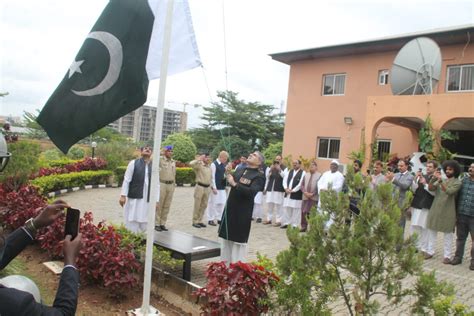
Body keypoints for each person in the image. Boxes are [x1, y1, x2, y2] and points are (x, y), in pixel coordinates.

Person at [0, 201, 82, 315]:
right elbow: (63, 313)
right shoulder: (15, 304)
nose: (2, 229)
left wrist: (34, 224)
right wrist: (70, 262)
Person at [218, 152, 266, 264]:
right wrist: (227, 173)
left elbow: (251, 193)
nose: (250, 154)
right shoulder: (239, 170)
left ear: (259, 162)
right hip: (230, 210)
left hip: (242, 213)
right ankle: (224, 270)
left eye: (254, 155)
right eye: (251, 153)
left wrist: (235, 184)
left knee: (238, 244)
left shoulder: (259, 176)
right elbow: (223, 183)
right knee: (226, 242)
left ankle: (237, 271)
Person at [425, 160, 462, 264]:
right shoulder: (442, 179)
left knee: (448, 234)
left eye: (450, 169)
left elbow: (449, 192)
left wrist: (440, 181)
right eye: (446, 169)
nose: (447, 171)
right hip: (436, 209)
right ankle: (430, 251)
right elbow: (431, 188)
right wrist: (433, 178)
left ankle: (447, 256)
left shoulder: (457, 182)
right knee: (432, 231)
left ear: (455, 171)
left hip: (448, 211)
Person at [119, 145, 159, 234]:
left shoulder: (154, 166)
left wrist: (156, 201)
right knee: (132, 219)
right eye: (145, 148)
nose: (148, 149)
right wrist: (123, 195)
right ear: (141, 152)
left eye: (150, 149)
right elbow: (126, 180)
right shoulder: (133, 163)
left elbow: (157, 185)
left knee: (147, 220)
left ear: (151, 153)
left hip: (148, 199)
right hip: (135, 197)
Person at [409, 161, 437, 254]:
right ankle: (414, 246)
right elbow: (413, 189)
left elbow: (434, 193)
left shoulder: (436, 179)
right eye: (427, 166)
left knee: (424, 227)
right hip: (417, 204)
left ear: (435, 168)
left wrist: (425, 184)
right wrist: (415, 178)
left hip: (427, 205)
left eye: (430, 167)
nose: (428, 168)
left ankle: (424, 248)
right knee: (414, 226)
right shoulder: (422, 176)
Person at [451, 163, 474, 270]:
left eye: (473, 168)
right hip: (461, 214)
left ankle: (473, 261)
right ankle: (457, 257)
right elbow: (457, 196)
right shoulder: (463, 180)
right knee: (460, 238)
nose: (471, 169)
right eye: (470, 167)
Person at [385, 159, 414, 234]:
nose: (399, 167)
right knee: (391, 224)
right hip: (392, 203)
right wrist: (387, 180)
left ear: (406, 166)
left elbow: (405, 186)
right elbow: (391, 187)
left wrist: (393, 179)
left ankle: (398, 245)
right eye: (398, 166)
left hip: (401, 204)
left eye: (401, 166)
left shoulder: (410, 176)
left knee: (400, 225)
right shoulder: (396, 174)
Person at [317, 160, 345, 228]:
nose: (333, 166)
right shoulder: (325, 173)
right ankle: (320, 227)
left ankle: (329, 229)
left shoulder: (340, 175)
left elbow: (339, 187)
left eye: (335, 165)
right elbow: (319, 183)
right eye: (332, 164)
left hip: (332, 197)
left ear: (337, 167)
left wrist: (328, 190)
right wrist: (321, 189)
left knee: (331, 213)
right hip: (323, 196)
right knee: (321, 211)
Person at [155, 145, 176, 231]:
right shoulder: (160, 159)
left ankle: (163, 223)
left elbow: (174, 174)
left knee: (167, 205)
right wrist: (161, 152)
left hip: (170, 184)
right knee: (159, 204)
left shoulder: (173, 162)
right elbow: (153, 159)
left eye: (171, 151)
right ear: (165, 152)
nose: (170, 153)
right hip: (162, 183)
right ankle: (156, 223)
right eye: (168, 151)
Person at [206, 151, 229, 226]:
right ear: (221, 157)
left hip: (222, 187)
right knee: (212, 204)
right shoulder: (214, 164)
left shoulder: (223, 165)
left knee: (222, 203)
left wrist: (225, 185)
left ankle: (219, 218)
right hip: (215, 187)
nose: (226, 160)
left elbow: (224, 176)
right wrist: (214, 187)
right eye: (225, 159)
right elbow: (212, 177)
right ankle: (210, 219)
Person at [190, 154, 212, 228]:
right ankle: (195, 221)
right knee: (197, 205)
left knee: (204, 205)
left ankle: (200, 220)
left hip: (207, 187)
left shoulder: (209, 166)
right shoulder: (199, 165)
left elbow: (210, 178)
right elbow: (191, 164)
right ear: (203, 158)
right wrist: (199, 159)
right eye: (206, 157)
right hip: (200, 186)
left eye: (209, 157)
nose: (208, 159)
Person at [281, 160, 305, 229]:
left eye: (296, 163)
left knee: (296, 210)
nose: (294, 164)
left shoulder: (303, 173)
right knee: (287, 209)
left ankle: (295, 225)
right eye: (293, 163)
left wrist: (293, 190)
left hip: (296, 194)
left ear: (300, 165)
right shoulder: (289, 171)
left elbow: (301, 184)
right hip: (287, 193)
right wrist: (286, 188)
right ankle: (286, 223)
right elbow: (284, 181)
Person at [263, 155, 286, 226]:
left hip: (278, 189)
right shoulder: (271, 167)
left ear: (281, 160)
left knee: (279, 205)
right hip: (270, 188)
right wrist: (270, 169)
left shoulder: (284, 168)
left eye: (279, 159)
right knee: (270, 204)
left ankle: (278, 220)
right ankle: (269, 219)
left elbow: (285, 176)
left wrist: (279, 169)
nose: (277, 160)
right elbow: (267, 177)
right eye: (276, 159)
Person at [300, 160, 321, 232]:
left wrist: (312, 194)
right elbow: (302, 185)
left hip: (313, 197)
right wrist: (305, 192)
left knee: (313, 213)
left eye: (313, 165)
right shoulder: (306, 175)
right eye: (310, 166)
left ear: (316, 167)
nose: (311, 167)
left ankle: (312, 228)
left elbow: (319, 186)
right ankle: (303, 226)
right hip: (305, 196)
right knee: (304, 212)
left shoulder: (319, 175)